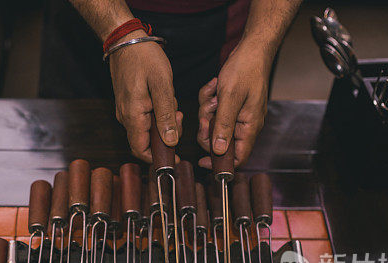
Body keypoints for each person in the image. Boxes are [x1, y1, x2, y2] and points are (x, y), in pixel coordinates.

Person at [39, 0, 302, 167]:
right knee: (79, 181)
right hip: (95, 20)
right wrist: (118, 31)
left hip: (231, 28)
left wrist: (260, 43)